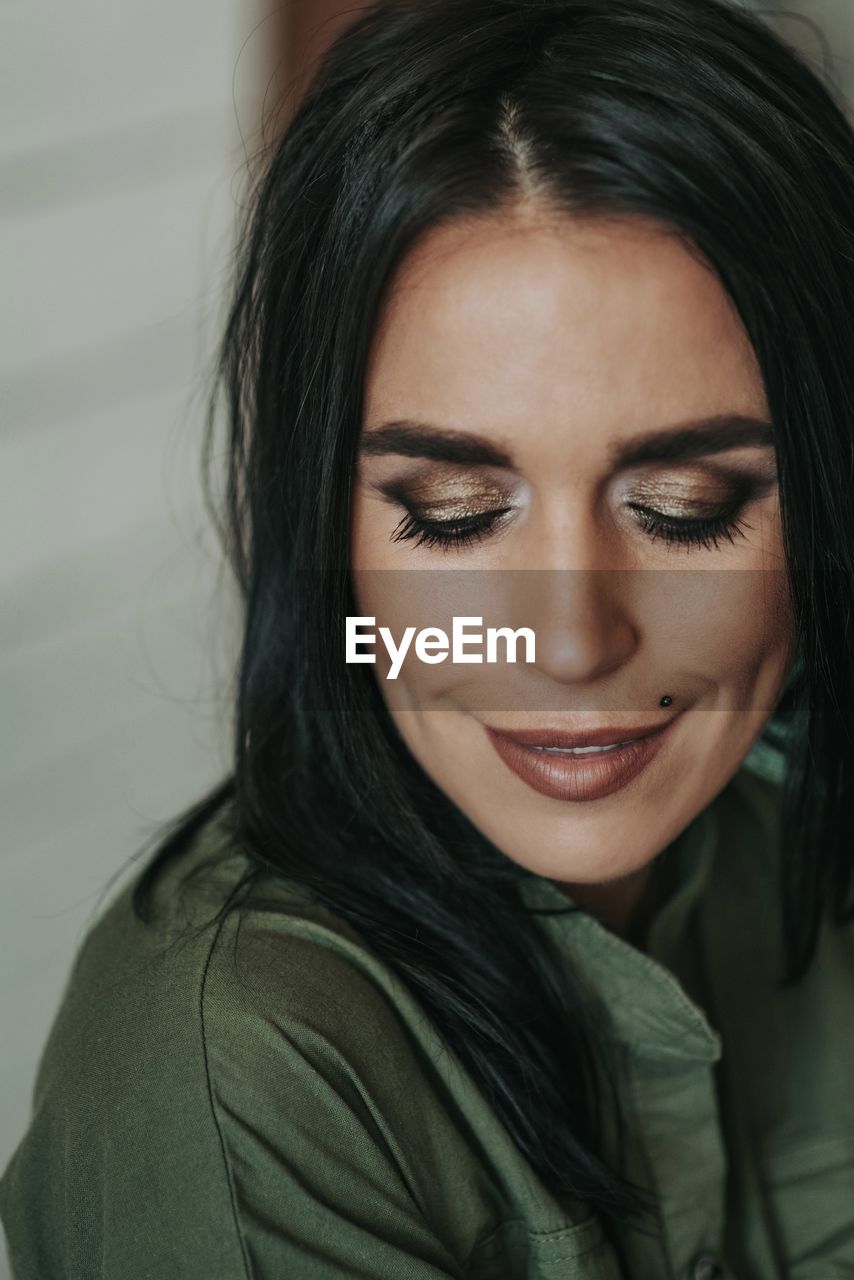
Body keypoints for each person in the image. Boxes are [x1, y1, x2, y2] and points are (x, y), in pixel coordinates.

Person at [2, 0, 854, 1275]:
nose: (566, 642)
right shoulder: (239, 1071)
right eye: (452, 517)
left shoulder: (794, 851)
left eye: (687, 511)